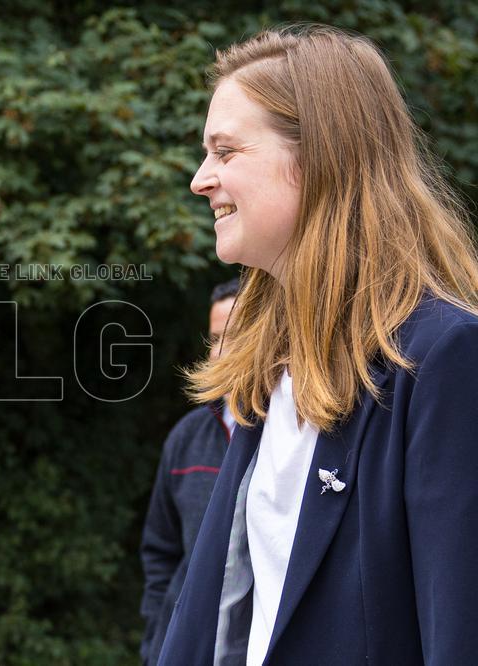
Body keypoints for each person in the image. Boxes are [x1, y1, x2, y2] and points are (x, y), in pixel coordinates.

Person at [157, 25, 478, 665]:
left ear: (318, 157)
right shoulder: (267, 368)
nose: (200, 179)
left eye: (226, 152)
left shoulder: (446, 358)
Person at [138, 278, 238, 665]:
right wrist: (155, 645)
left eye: (236, 335)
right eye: (215, 339)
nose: (220, 353)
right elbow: (160, 553)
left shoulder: (294, 437)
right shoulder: (187, 437)